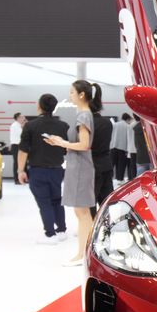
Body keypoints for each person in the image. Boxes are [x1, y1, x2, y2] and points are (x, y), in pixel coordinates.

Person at [44, 80, 98, 266]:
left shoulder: (83, 116)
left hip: (81, 167)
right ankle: (86, 254)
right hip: (79, 165)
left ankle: (83, 255)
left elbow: (84, 145)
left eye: (72, 92)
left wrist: (61, 143)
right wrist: (62, 142)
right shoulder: (84, 115)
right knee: (82, 212)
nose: (70, 96)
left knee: (82, 213)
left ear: (82, 94)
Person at [18, 94, 70, 245]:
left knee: (44, 202)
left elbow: (23, 150)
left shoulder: (30, 126)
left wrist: (20, 171)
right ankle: (61, 230)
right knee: (57, 200)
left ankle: (50, 234)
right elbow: (65, 148)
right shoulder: (63, 126)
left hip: (38, 170)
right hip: (57, 169)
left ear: (39, 106)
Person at [90, 108, 115, 217]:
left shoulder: (86, 123)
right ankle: (107, 226)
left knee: (90, 201)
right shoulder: (107, 122)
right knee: (106, 200)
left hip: (91, 165)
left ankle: (92, 226)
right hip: (106, 163)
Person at [111, 113, 132, 183]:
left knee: (112, 164)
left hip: (113, 147)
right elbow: (129, 138)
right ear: (128, 119)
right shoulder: (127, 126)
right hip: (123, 148)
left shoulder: (115, 124)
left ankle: (110, 178)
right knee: (121, 165)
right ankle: (119, 179)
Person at [8, 113, 26, 185]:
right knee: (17, 163)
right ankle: (17, 179)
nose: (23, 118)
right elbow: (22, 134)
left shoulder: (18, 125)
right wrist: (23, 126)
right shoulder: (15, 125)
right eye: (22, 117)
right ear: (18, 118)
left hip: (19, 145)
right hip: (16, 146)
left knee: (21, 162)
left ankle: (22, 178)